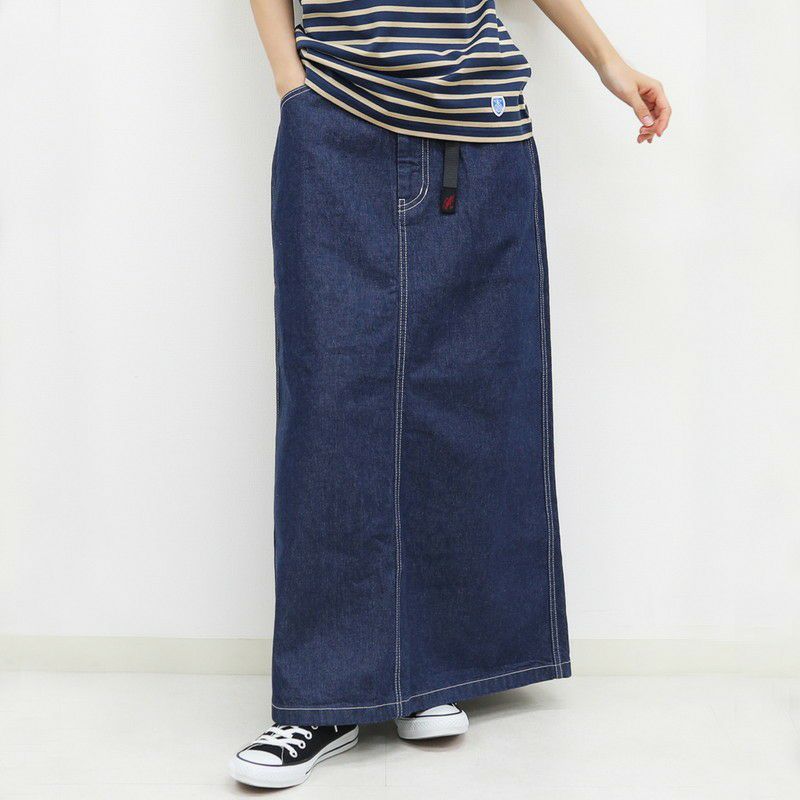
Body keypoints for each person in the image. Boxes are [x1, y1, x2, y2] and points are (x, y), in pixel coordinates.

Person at [230, 0, 671, 788]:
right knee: (332, 403)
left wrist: (609, 62)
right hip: (336, 117)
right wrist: (290, 84)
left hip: (481, 130)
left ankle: (429, 672)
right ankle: (322, 699)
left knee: (467, 400)